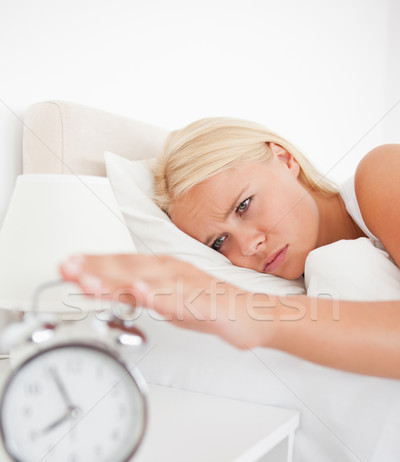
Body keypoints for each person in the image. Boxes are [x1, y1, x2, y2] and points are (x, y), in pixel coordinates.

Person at [60, 117, 400, 379]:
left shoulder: (380, 173)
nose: (249, 245)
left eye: (244, 205)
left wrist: (250, 314)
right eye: (220, 243)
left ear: (283, 158)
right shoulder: (313, 283)